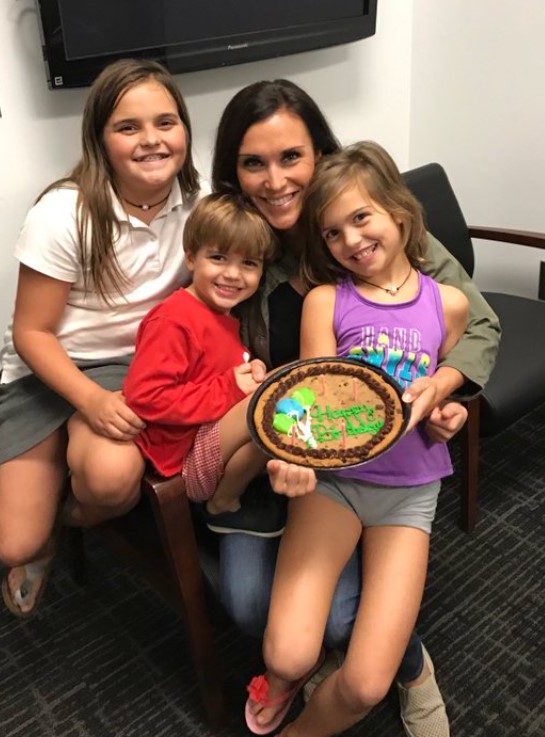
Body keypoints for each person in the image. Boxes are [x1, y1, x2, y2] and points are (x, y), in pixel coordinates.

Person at [210, 79, 501, 737]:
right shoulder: (235, 238)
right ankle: (303, 673)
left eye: (291, 157)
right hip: (296, 458)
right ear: (233, 172)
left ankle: (410, 666)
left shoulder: (378, 228)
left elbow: (469, 328)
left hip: (391, 473)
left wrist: (446, 389)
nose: (275, 179)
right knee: (273, 629)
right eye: (253, 163)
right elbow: (285, 378)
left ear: (318, 155)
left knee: (353, 642)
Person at [0, 58, 208, 617]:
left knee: (110, 482)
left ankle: (64, 506)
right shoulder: (64, 211)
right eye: (128, 127)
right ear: (100, 140)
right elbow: (31, 331)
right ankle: (45, 520)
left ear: (185, 128)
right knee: (14, 544)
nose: (152, 140)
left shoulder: (198, 204)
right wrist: (88, 400)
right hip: (49, 366)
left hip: (130, 365)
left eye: (166, 122)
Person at [123, 193, 284, 536]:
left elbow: (218, 370)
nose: (232, 275)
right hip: (185, 461)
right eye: (219, 257)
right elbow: (144, 397)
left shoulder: (223, 315)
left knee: (275, 392)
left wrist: (249, 371)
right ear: (192, 258)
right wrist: (229, 389)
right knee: (271, 404)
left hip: (213, 441)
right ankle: (222, 505)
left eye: (249, 264)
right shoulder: (175, 319)